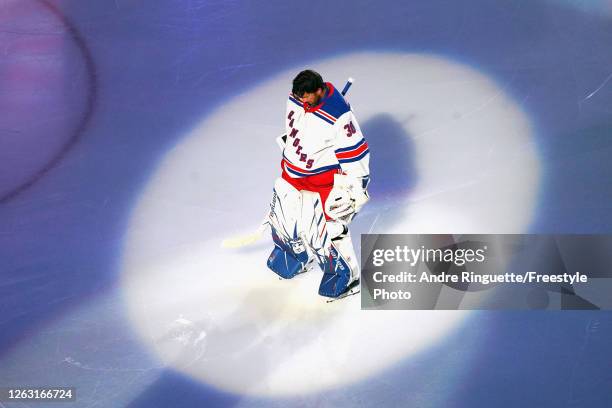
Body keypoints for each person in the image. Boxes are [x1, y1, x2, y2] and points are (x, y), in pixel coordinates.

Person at [266, 69, 370, 298]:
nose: (301, 101)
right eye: (298, 95)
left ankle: (344, 277)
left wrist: (354, 189)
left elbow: (357, 154)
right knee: (284, 217)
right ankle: (293, 257)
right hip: (292, 173)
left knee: (327, 229)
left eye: (306, 97)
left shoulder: (339, 115)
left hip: (323, 181)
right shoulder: (295, 98)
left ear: (319, 90)